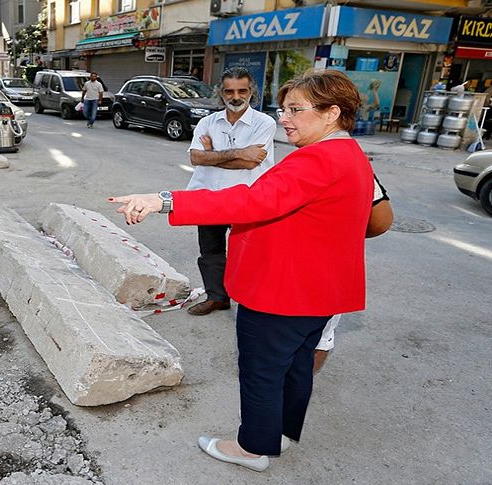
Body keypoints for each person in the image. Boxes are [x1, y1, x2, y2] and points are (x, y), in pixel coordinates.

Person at [109, 69, 371, 472]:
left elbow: (252, 200)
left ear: (332, 113)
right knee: (296, 366)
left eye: (296, 110)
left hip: (283, 291)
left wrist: (164, 200)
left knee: (262, 371)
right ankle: (282, 431)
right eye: (284, 108)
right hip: (318, 291)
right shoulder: (349, 154)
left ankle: (252, 448)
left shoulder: (317, 158)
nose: (284, 118)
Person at [185, 67, 276, 316]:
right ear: (221, 93)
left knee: (248, 253)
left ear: (252, 92)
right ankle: (217, 297)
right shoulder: (207, 122)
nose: (236, 96)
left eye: (242, 91)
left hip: (247, 199)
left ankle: (251, 303)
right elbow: (195, 157)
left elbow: (250, 163)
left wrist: (212, 154)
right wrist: (239, 152)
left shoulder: (264, 123)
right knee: (210, 252)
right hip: (210, 196)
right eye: (229, 91)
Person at [313, 174, 393, 373]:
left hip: (328, 268)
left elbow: (382, 221)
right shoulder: (296, 162)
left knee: (320, 333)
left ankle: (297, 386)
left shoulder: (355, 168)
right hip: (289, 271)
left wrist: (346, 234)